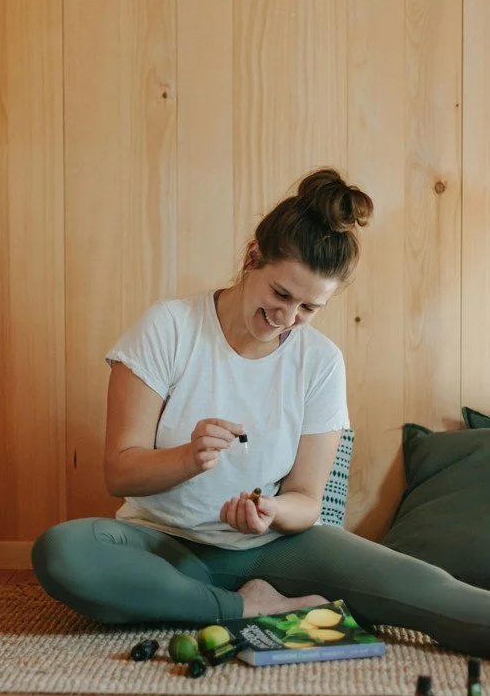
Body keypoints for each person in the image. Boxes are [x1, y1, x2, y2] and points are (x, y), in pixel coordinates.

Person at [32, 167, 490, 658]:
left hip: (271, 549)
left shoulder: (320, 362)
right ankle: (246, 608)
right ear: (253, 258)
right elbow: (119, 472)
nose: (286, 320)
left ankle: (207, 603)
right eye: (281, 295)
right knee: (63, 553)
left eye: (309, 308)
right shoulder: (169, 327)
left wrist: (271, 513)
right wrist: (188, 457)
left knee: (426, 587)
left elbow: (306, 500)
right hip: (160, 546)